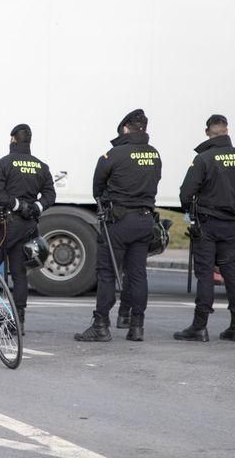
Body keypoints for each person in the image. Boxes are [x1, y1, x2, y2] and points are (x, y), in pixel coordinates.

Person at [75, 108, 161, 342]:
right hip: (145, 220)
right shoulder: (154, 154)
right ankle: (137, 326)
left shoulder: (114, 154)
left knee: (107, 274)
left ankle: (101, 324)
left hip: (119, 222)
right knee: (137, 274)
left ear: (125, 129)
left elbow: (97, 188)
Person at [175, 114, 235, 342]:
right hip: (231, 225)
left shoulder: (204, 158)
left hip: (207, 224)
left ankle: (200, 326)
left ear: (208, 133)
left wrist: (190, 213)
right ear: (226, 131)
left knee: (205, 275)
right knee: (231, 273)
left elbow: (186, 193)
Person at [0, 124, 56, 331]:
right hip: (28, 227)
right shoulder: (41, 166)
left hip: (5, 226)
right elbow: (50, 195)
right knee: (19, 273)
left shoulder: (4, 163)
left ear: (13, 139)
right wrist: (35, 207)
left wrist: (17, 205)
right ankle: (18, 321)